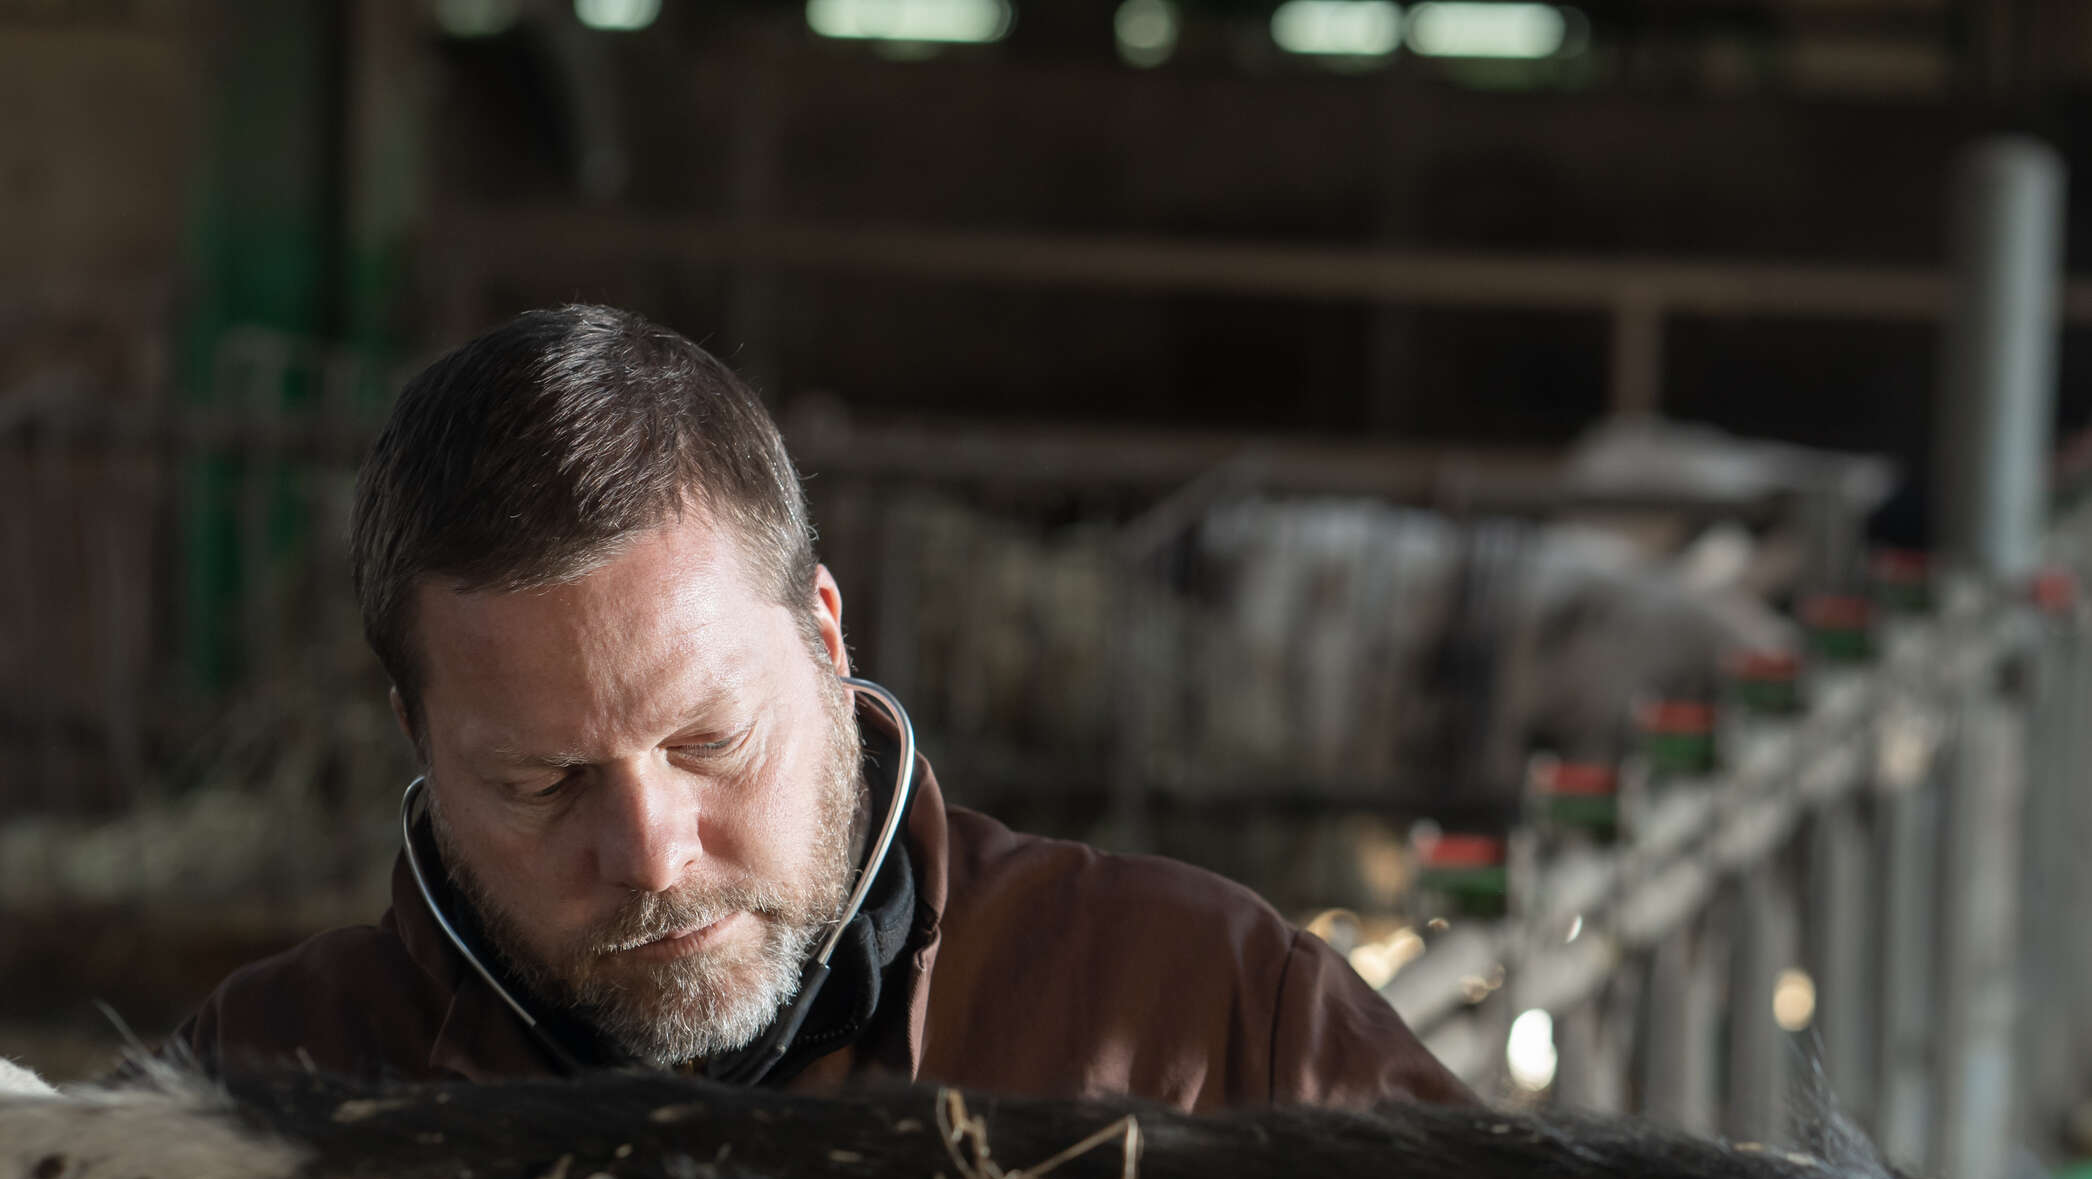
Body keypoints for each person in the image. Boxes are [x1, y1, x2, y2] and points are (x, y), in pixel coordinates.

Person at [177, 305, 1469, 1111]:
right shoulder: (265, 1093)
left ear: (826, 638)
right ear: (415, 735)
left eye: (713, 741)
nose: (651, 856)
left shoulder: (1207, 1020)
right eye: (541, 782)